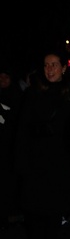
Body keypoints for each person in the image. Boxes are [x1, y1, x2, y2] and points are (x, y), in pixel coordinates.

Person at [15, 49, 70, 239]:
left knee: (54, 210)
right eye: (46, 65)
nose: (49, 69)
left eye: (54, 64)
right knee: (34, 209)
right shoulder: (33, 93)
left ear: (63, 68)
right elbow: (21, 130)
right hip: (35, 162)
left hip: (59, 162)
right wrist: (22, 160)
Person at [0, 63, 23, 229]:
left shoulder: (16, 96)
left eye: (6, 77)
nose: (2, 80)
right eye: (0, 77)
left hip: (9, 148)